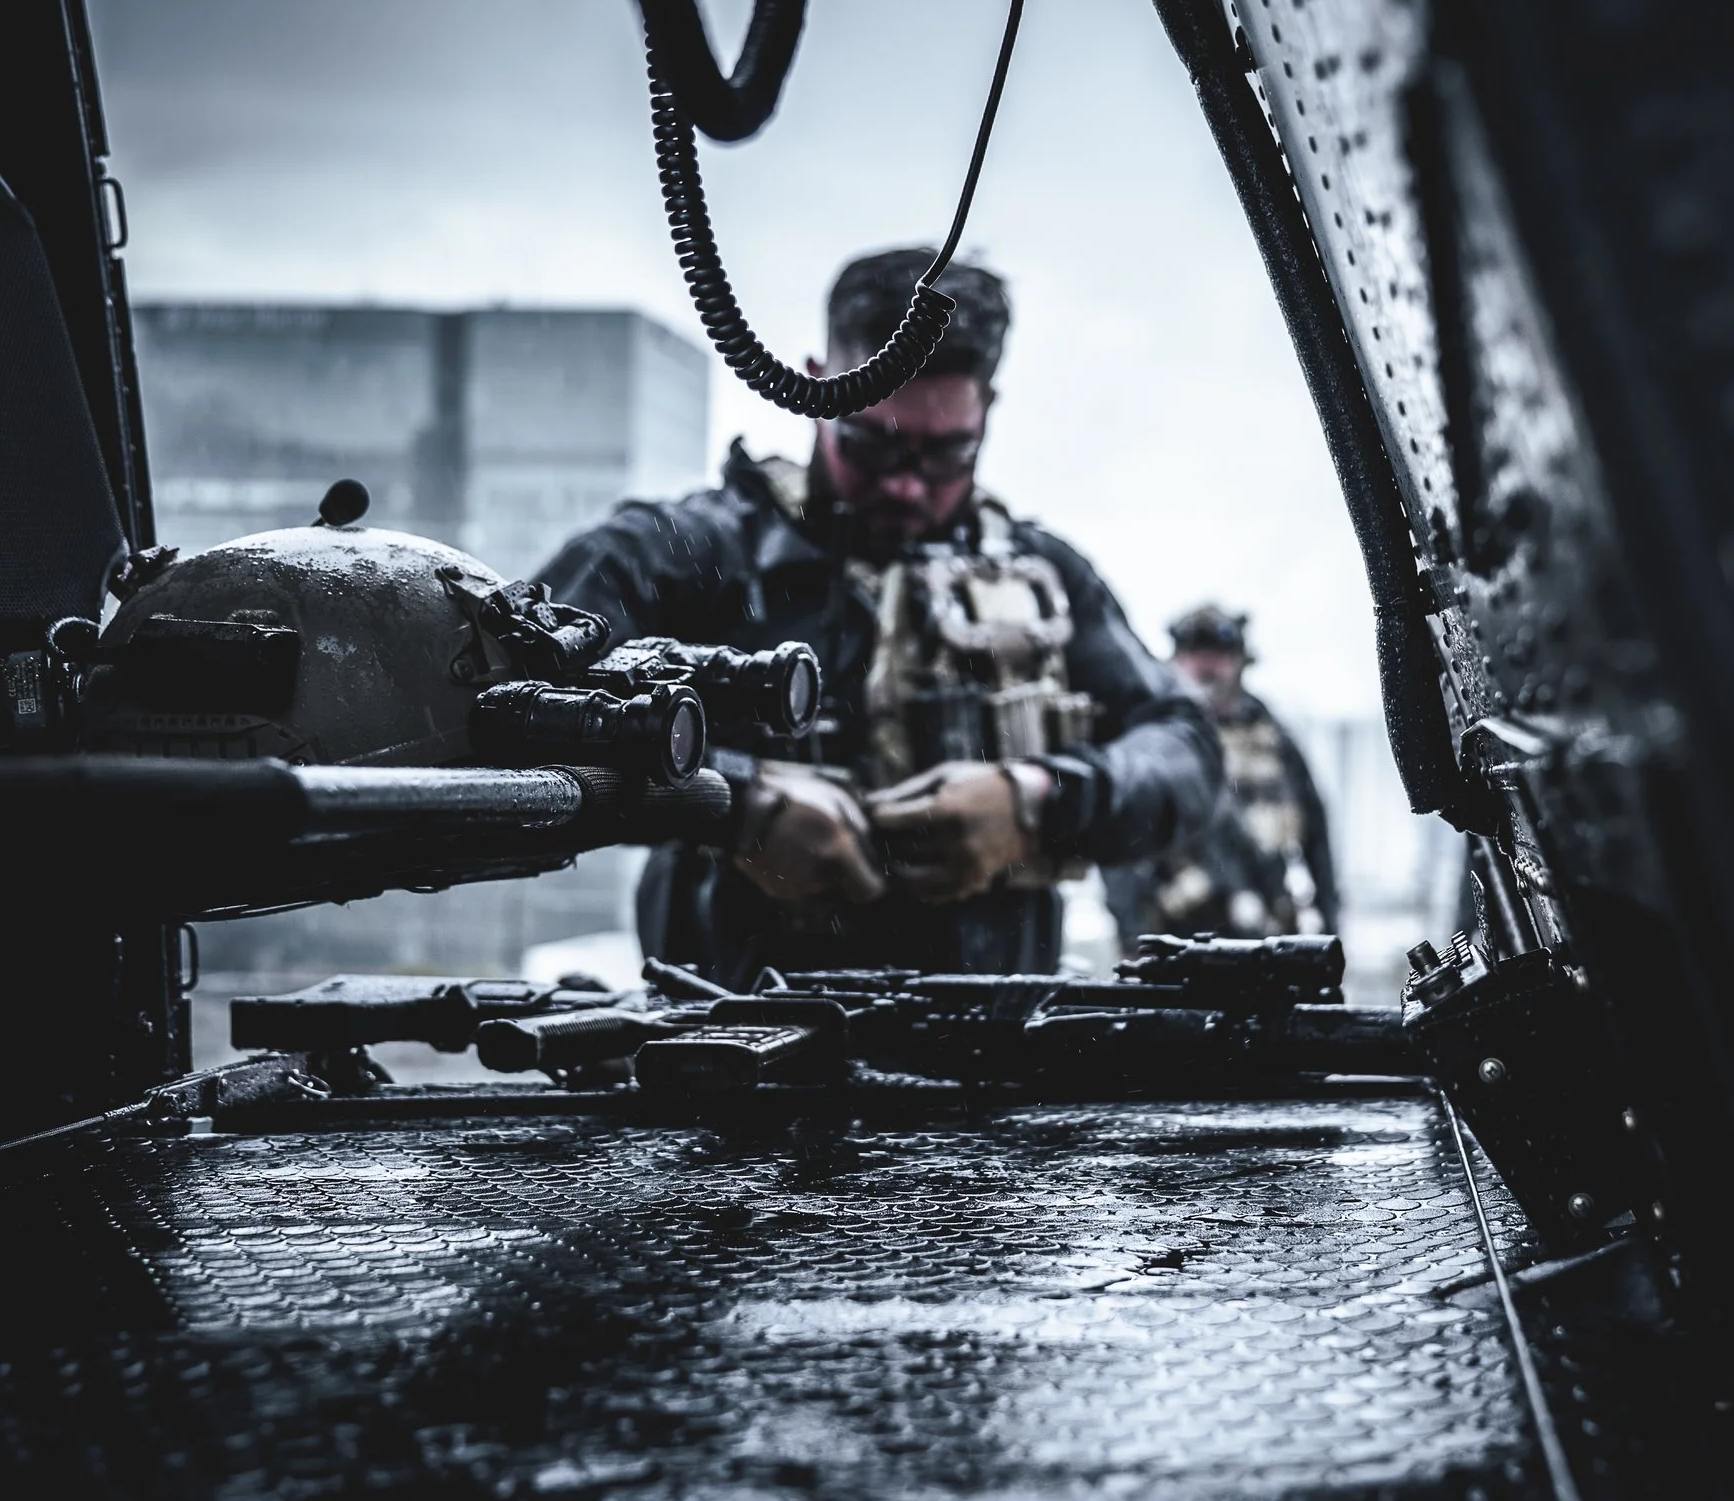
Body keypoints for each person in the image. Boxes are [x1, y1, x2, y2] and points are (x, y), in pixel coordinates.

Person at [533, 248, 1221, 984]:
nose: (904, 487)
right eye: (871, 444)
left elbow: (1185, 750)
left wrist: (1039, 797)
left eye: (945, 453)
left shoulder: (1047, 580)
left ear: (987, 411)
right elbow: (510, 701)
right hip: (727, 1052)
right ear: (815, 383)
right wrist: (729, 803)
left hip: (990, 1062)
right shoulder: (680, 555)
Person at [1104, 604, 1340, 943]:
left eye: (1217, 654)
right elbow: (1120, 833)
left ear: (1239, 661)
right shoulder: (1152, 735)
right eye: (1193, 653)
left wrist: (1329, 925)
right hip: (1176, 933)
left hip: (1263, 928)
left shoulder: (1271, 737)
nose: (1205, 665)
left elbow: (1316, 832)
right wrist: (1131, 933)